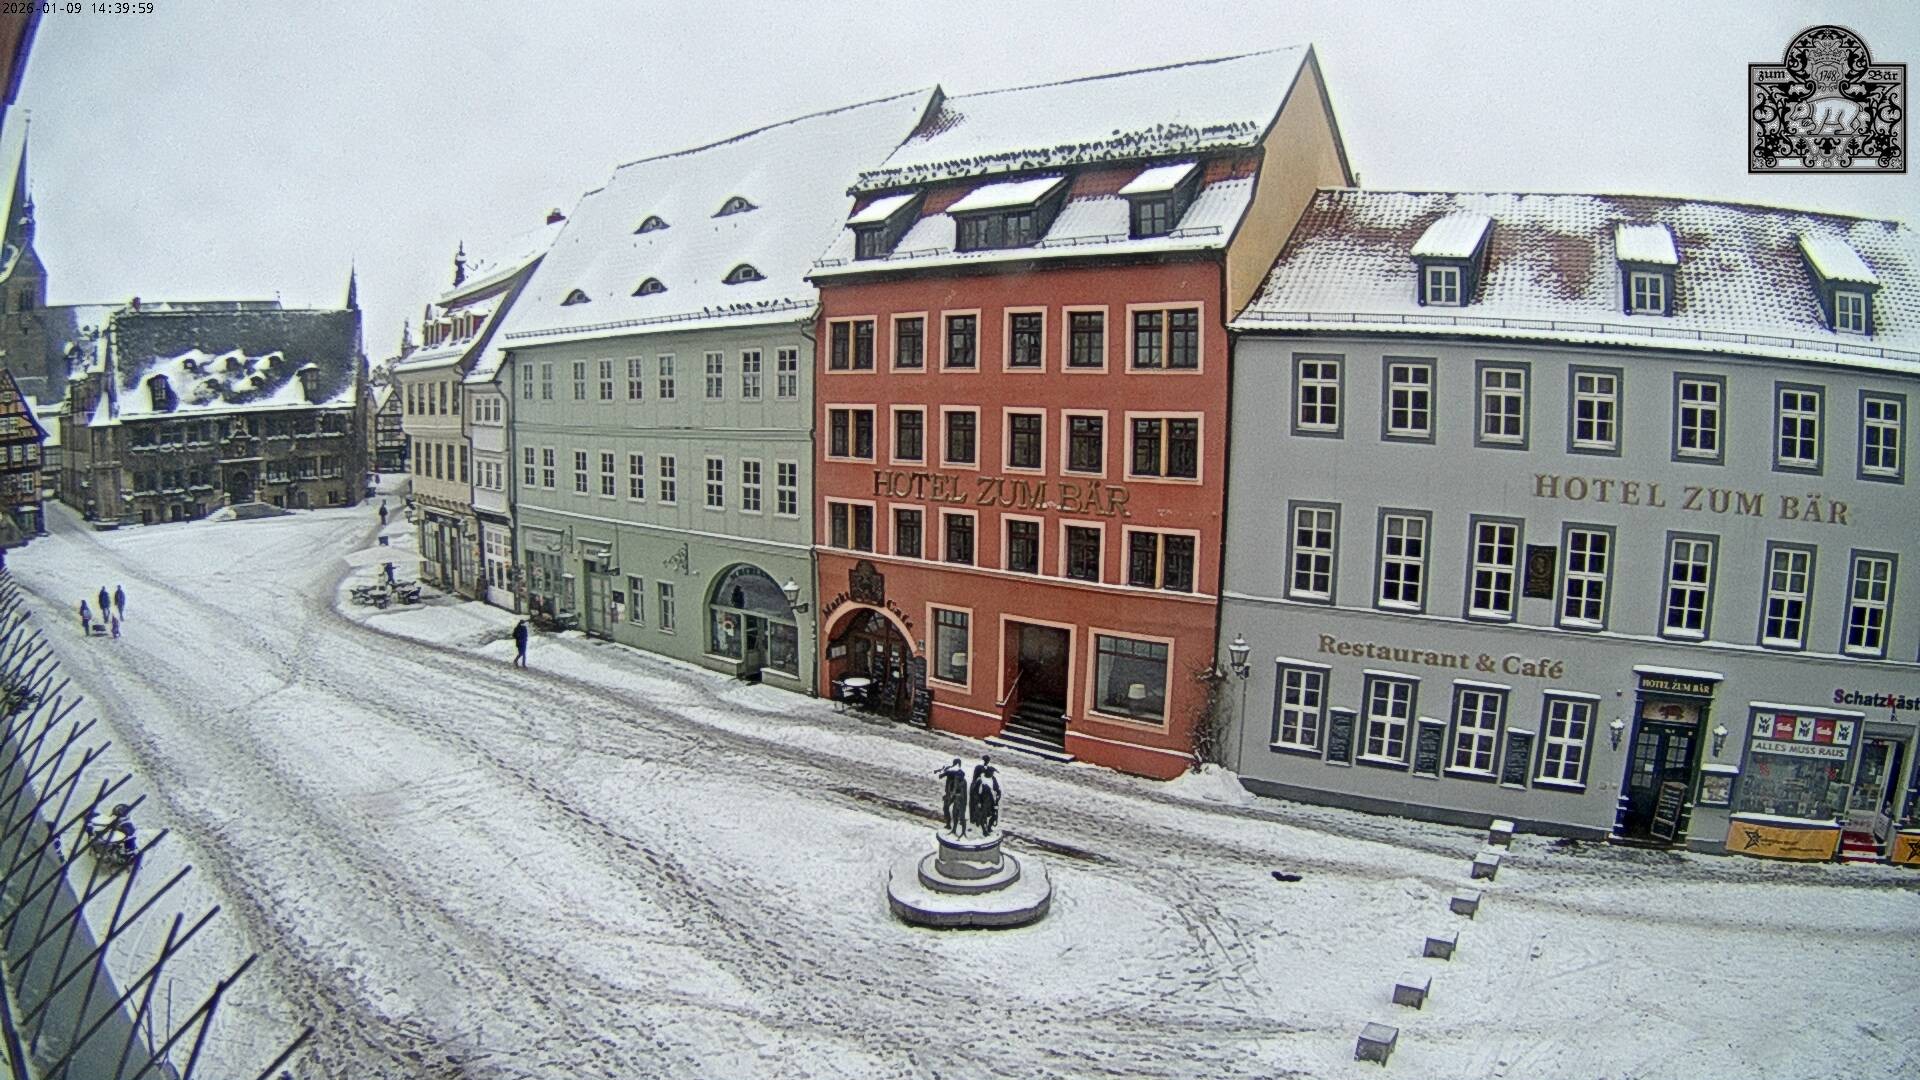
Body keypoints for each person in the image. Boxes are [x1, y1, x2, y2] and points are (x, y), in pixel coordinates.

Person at [969, 756, 1002, 837]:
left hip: (990, 801)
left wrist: (997, 800)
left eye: (993, 773)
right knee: (982, 816)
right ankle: (984, 830)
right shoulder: (980, 780)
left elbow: (997, 790)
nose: (992, 774)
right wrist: (979, 802)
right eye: (991, 772)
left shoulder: (993, 779)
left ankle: (989, 827)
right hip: (982, 801)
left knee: (994, 815)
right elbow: (976, 793)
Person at [937, 758, 969, 835]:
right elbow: (941, 774)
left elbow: (956, 774)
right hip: (949, 794)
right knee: (946, 808)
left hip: (956, 794)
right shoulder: (950, 769)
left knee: (956, 811)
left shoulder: (958, 772)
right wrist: (942, 770)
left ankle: (958, 824)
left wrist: (946, 772)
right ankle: (948, 823)